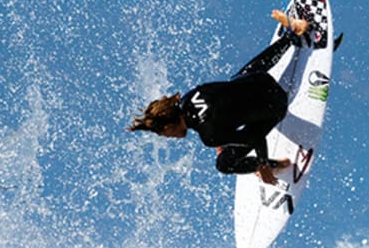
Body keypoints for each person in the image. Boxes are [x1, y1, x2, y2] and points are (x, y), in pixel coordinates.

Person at [128, 10, 309, 185]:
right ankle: (291, 36)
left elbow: (256, 137)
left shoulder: (209, 136)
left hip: (276, 105)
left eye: (165, 134)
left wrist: (262, 163)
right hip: (262, 80)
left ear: (168, 126)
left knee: (224, 164)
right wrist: (223, 135)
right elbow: (222, 103)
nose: (169, 138)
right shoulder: (189, 96)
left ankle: (277, 165)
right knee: (237, 80)